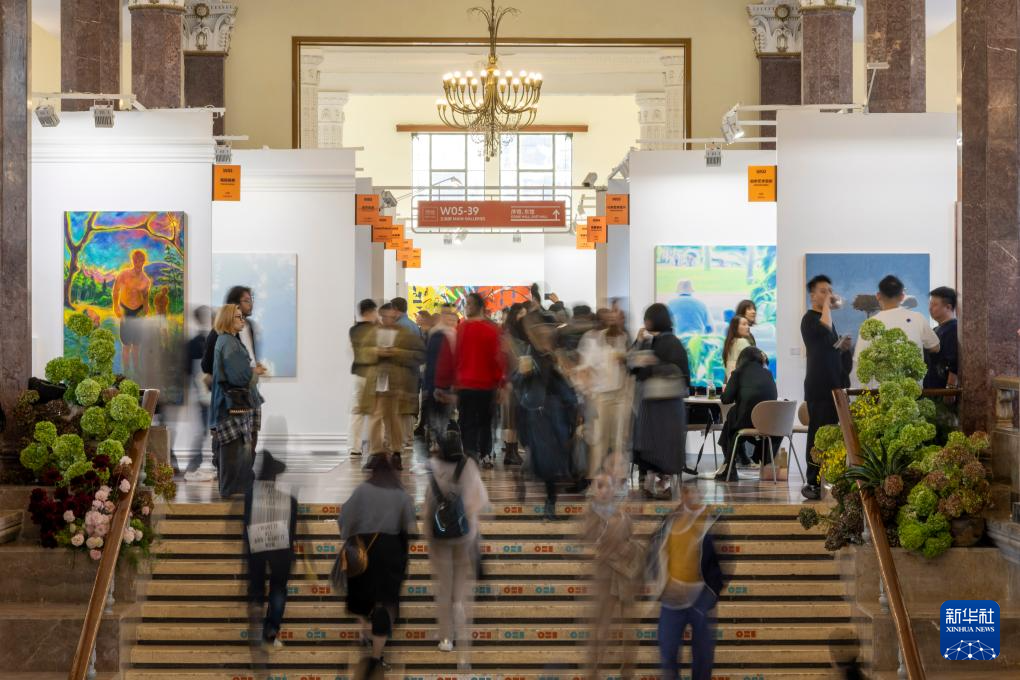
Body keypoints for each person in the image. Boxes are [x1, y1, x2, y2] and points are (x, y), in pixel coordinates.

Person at [338, 452, 416, 677]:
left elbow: (344, 520)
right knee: (385, 602)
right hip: (391, 552)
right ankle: (376, 655)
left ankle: (364, 629)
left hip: (363, 550)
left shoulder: (362, 490)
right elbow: (411, 528)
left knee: (361, 596)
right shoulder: (401, 494)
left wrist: (351, 536)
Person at [646, 484, 725, 680]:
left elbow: (723, 560)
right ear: (683, 495)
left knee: (703, 659)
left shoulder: (712, 521)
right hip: (672, 601)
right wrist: (661, 584)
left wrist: (711, 593)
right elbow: (654, 549)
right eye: (688, 491)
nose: (693, 495)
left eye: (696, 491)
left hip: (701, 599)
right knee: (668, 655)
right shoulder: (670, 520)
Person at [425, 429, 489, 657]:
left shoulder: (433, 466)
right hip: (464, 535)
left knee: (444, 587)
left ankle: (445, 638)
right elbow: (481, 500)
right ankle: (461, 627)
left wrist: (428, 533)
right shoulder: (469, 466)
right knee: (459, 588)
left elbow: (428, 504)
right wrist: (467, 517)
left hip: (439, 537)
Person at [514, 311, 578, 520]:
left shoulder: (556, 353)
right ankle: (549, 502)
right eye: (540, 331)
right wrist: (523, 374)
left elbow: (566, 385)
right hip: (537, 414)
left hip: (556, 412)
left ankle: (538, 486)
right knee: (546, 461)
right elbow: (517, 383)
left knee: (554, 460)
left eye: (546, 331)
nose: (544, 334)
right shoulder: (529, 354)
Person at [630, 303, 691, 500]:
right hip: (668, 406)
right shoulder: (669, 342)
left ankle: (655, 485)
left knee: (653, 445)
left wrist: (649, 363)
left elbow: (635, 369)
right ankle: (662, 485)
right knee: (665, 447)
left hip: (657, 404)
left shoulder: (663, 342)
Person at [801, 275, 852, 500]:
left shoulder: (827, 320)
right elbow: (824, 328)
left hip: (834, 386)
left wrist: (844, 348)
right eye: (823, 291)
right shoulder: (809, 320)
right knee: (818, 434)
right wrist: (828, 307)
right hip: (819, 387)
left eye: (830, 291)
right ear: (813, 295)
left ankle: (828, 478)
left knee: (832, 434)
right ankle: (812, 481)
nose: (829, 295)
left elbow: (831, 351)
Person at [583, 472, 639, 676]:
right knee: (601, 628)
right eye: (600, 486)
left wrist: (625, 548)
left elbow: (629, 539)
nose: (605, 490)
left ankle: (627, 670)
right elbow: (591, 542)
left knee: (628, 628)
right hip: (605, 577)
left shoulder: (622, 515)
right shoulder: (592, 515)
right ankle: (594, 671)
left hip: (624, 577)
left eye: (608, 486)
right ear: (594, 490)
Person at [359, 303, 425, 470]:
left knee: (394, 420)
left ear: (395, 315)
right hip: (376, 384)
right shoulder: (373, 333)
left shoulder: (405, 333)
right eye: (384, 316)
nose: (387, 319)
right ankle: (376, 453)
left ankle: (396, 453)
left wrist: (397, 353)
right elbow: (362, 353)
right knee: (375, 419)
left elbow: (419, 354)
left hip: (397, 385)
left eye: (390, 316)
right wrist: (376, 352)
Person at [243, 451, 297, 652]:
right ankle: (271, 631)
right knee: (279, 588)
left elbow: (246, 523)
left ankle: (257, 605)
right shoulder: (289, 499)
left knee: (257, 585)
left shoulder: (250, 495)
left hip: (257, 544)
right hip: (281, 548)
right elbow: (292, 530)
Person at [209, 304, 264, 499]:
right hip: (232, 406)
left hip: (232, 405)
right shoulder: (229, 343)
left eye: (242, 317)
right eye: (238, 317)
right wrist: (255, 372)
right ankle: (234, 494)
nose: (243, 320)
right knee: (234, 451)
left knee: (237, 450)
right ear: (227, 320)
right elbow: (238, 377)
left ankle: (236, 491)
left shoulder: (227, 341)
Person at [203, 286, 265, 451]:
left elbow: (247, 358)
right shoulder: (221, 336)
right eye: (246, 300)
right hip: (231, 396)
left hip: (248, 392)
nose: (250, 304)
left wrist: (252, 370)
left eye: (251, 300)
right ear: (235, 304)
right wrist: (249, 372)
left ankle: (242, 467)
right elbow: (209, 365)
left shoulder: (249, 327)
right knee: (231, 446)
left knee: (249, 441)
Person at [852, 275, 940, 384]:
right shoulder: (918, 318)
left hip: (880, 390)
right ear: (902, 296)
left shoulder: (869, 324)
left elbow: (859, 360)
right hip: (912, 389)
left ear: (878, 296)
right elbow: (935, 347)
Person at [578, 307, 631, 479]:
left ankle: (617, 477)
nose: (612, 321)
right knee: (599, 439)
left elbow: (627, 364)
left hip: (620, 394)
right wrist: (589, 393)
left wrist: (624, 360)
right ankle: (595, 478)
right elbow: (584, 369)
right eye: (608, 319)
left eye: (615, 319)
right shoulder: (592, 340)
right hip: (601, 395)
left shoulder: (622, 338)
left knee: (618, 439)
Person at [454, 293, 505, 469]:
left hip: (467, 384)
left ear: (478, 306)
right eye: (466, 303)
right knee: (484, 421)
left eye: (469, 304)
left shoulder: (462, 329)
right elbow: (497, 359)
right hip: (484, 385)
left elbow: (456, 357)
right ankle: (484, 454)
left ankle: (471, 454)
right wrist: (500, 383)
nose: (466, 307)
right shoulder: (492, 329)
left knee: (468, 422)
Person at [715, 347, 778, 481]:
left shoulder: (738, 373)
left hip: (746, 422)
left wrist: (727, 390)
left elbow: (726, 399)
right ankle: (741, 460)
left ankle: (730, 467)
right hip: (769, 425)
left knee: (732, 417)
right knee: (733, 420)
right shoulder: (768, 374)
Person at [183, 305, 214, 481]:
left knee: (209, 429)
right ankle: (194, 464)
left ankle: (203, 464)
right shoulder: (195, 343)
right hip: (203, 394)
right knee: (204, 430)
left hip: (212, 393)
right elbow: (190, 370)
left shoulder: (212, 340)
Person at [112, 249, 152, 375]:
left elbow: (145, 295)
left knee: (137, 345)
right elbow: (115, 290)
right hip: (126, 311)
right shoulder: (124, 274)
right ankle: (126, 371)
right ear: (132, 260)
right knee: (126, 345)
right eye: (135, 260)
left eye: (140, 260)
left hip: (139, 313)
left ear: (143, 262)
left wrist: (146, 306)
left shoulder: (146, 280)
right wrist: (116, 307)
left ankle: (136, 369)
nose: (138, 262)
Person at [422, 304, 458, 448]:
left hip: (448, 381)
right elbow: (430, 360)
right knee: (435, 412)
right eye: (445, 314)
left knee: (444, 413)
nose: (448, 318)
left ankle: (440, 439)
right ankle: (435, 439)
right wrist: (428, 384)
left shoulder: (454, 334)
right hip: (435, 380)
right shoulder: (436, 333)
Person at [391, 296, 424, 449]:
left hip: (400, 371)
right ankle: (409, 438)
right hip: (413, 371)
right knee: (409, 407)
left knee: (398, 407)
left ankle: (400, 439)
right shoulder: (414, 326)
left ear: (395, 309)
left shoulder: (397, 327)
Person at [348, 299, 379, 458]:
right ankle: (376, 447)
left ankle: (355, 447)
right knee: (375, 413)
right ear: (370, 312)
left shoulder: (353, 330)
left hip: (358, 374)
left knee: (357, 412)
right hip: (373, 374)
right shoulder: (376, 330)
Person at [924, 286, 959, 391]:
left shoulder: (953, 328)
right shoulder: (936, 329)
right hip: (931, 390)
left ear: (948, 307)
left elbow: (954, 363)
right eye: (930, 304)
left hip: (942, 392)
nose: (930, 308)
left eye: (934, 304)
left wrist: (950, 390)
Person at [722, 314, 754, 381]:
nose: (748, 327)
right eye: (744, 324)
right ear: (735, 327)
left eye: (748, 324)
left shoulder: (729, 343)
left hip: (732, 383)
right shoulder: (742, 342)